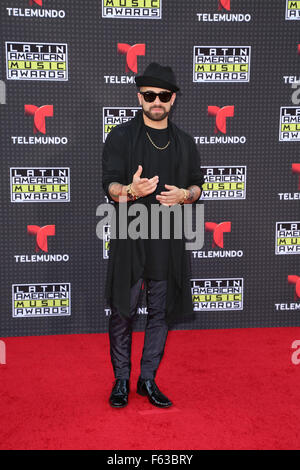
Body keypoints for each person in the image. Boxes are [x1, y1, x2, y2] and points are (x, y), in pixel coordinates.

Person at [102, 62, 204, 408]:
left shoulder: (186, 143)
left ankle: (147, 380)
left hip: (168, 238)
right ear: (139, 97)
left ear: (173, 99)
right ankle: (120, 380)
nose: (156, 101)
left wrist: (185, 196)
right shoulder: (120, 137)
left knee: (159, 313)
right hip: (130, 237)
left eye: (163, 95)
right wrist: (128, 190)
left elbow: (197, 185)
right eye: (149, 95)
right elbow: (109, 185)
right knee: (123, 312)